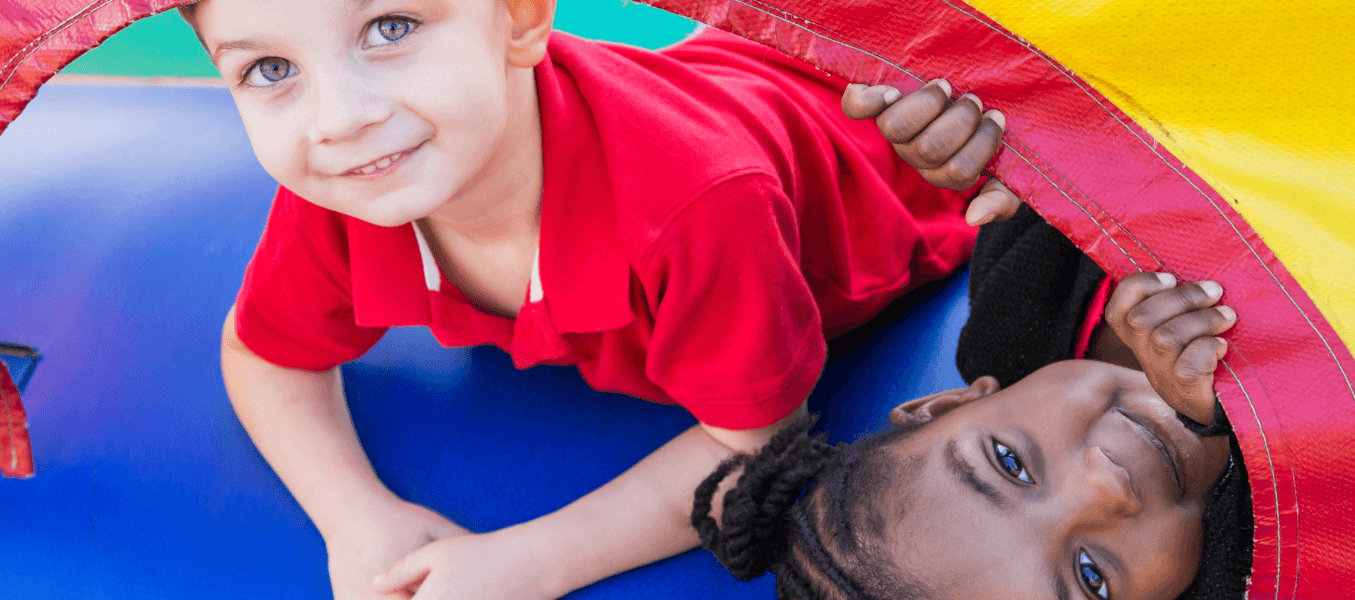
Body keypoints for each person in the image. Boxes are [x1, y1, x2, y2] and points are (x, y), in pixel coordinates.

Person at [177, 0, 1022, 597]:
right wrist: (357, 519)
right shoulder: (352, 181)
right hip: (718, 73)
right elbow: (262, 351)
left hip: (878, 121)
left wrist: (531, 563)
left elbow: (759, 442)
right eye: (269, 69)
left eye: (390, 27)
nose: (336, 118)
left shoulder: (699, 205)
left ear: (520, 18)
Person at [691, 206, 1255, 600]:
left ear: (947, 405)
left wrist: (1034, 144)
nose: (1104, 486)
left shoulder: (1019, 295)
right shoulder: (1274, 558)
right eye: (1091, 578)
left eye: (1011, 463)